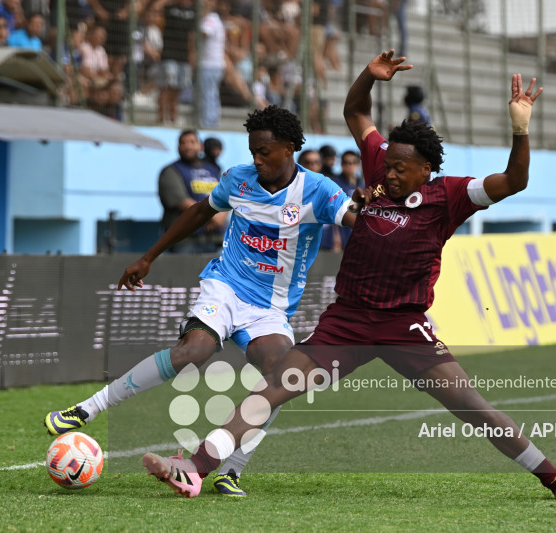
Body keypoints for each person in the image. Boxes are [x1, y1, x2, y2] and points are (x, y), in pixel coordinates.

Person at [140, 50, 556, 503]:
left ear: (427, 169)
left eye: (402, 169)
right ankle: (197, 470)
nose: (390, 174)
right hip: (348, 320)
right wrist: (368, 74)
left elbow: (514, 181)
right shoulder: (379, 166)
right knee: (274, 387)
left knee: (472, 408)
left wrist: (519, 130)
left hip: (404, 325)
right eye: (388, 165)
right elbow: (356, 110)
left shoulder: (452, 195)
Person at [43, 106, 357, 498]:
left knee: (282, 373)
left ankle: (232, 471)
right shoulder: (238, 180)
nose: (256, 160)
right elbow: (198, 211)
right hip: (225, 286)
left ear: (290, 147)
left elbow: (357, 221)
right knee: (193, 351)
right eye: (253, 151)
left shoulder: (320, 191)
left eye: (265, 152)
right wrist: (148, 256)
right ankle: (86, 409)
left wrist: (378, 217)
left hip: (271, 308)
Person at [158, 130, 225, 254]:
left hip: (215, 240)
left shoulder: (213, 169)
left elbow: (225, 196)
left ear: (201, 146)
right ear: (178, 147)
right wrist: (211, 216)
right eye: (183, 143)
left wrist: (220, 215)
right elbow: (183, 202)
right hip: (185, 241)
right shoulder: (170, 171)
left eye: (192, 142)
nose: (187, 146)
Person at [320, 150, 361, 251]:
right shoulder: (334, 184)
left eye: (353, 162)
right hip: (339, 235)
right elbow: (330, 211)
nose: (350, 166)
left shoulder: (362, 185)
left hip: (357, 235)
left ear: (358, 164)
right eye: (346, 162)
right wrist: (335, 237)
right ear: (341, 164)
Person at [198, 0, 226, 128]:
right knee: (212, 93)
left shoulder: (210, 19)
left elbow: (204, 33)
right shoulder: (216, 19)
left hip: (209, 64)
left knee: (208, 93)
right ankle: (212, 120)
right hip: (215, 64)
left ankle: (209, 122)